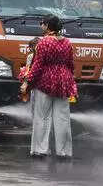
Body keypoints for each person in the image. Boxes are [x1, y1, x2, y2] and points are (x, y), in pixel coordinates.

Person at [21, 16, 75, 159]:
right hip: (63, 82)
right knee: (62, 118)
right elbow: (71, 65)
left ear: (47, 26)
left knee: (42, 116)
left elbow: (37, 66)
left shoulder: (43, 43)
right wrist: (70, 82)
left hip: (45, 81)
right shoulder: (67, 42)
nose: (41, 26)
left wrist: (27, 82)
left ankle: (40, 149)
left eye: (42, 24)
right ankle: (64, 152)